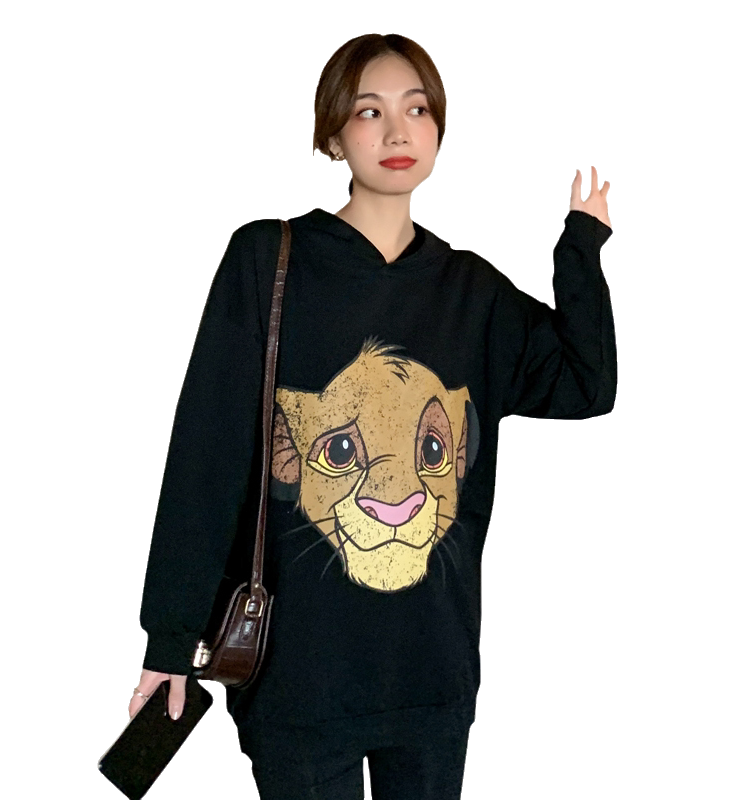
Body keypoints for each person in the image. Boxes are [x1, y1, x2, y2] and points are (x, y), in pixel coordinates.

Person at [126, 31, 616, 800]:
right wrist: (168, 641)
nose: (396, 132)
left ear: (439, 131)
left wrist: (581, 250)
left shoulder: (474, 293)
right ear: (332, 134)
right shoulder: (268, 259)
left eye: (417, 110)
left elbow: (587, 387)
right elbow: (206, 455)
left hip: (432, 676)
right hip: (297, 677)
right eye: (368, 111)